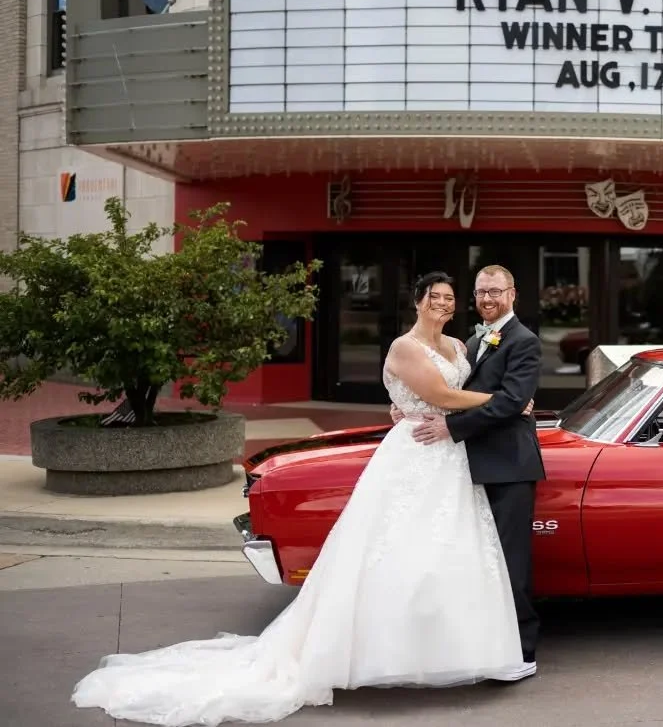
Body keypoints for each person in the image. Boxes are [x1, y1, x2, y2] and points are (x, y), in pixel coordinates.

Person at [70, 272, 531, 726]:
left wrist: (433, 406)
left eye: (452, 298)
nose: (446, 304)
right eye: (438, 297)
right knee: (390, 550)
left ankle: (446, 647)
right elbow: (441, 394)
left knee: (449, 551)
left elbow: (451, 393)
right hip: (417, 452)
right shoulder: (404, 346)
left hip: (450, 458)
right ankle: (373, 651)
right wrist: (507, 401)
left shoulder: (460, 346)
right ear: (417, 300)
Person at [393, 263, 545, 677]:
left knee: (510, 563)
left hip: (508, 465)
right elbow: (450, 392)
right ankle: (485, 647)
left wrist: (450, 424)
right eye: (481, 292)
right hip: (467, 464)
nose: (488, 299)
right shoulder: (472, 342)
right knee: (477, 561)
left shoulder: (524, 340)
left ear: (512, 294)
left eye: (496, 291)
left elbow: (509, 400)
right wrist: (407, 407)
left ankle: (523, 651)